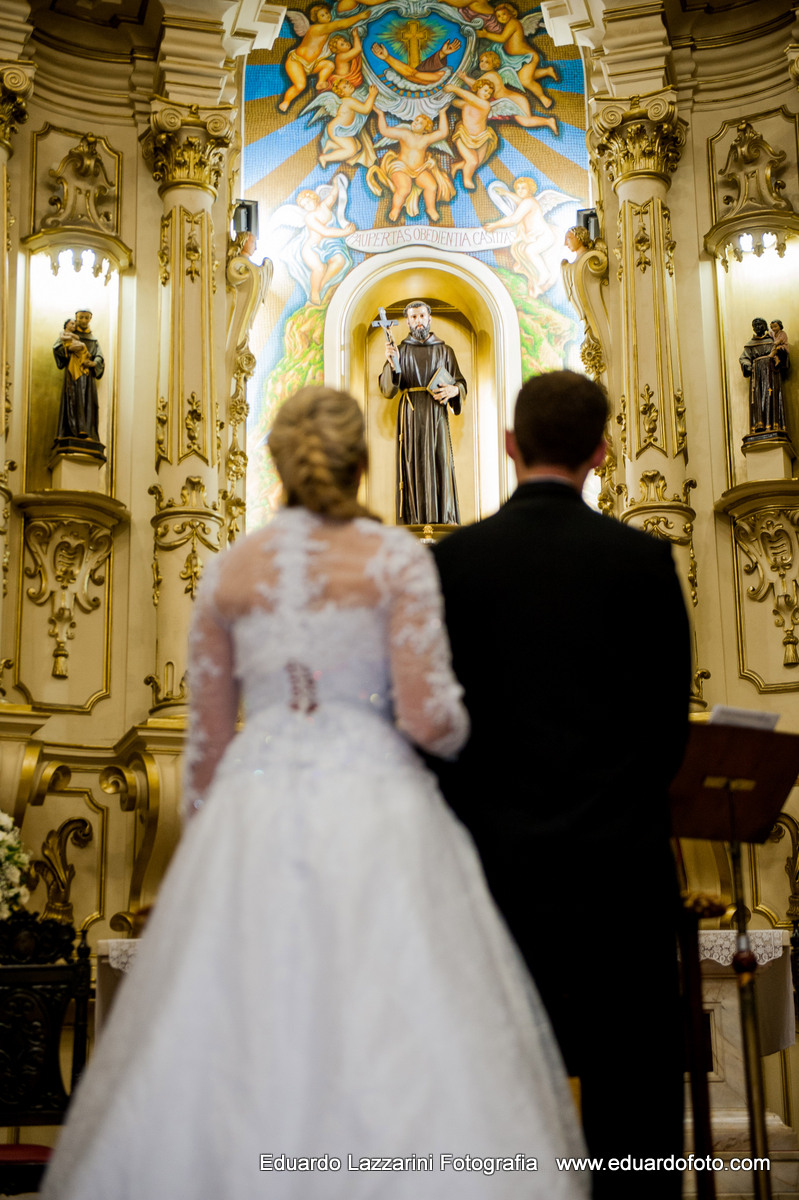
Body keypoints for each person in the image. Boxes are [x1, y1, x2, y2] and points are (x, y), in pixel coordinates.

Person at [42, 386, 588, 1200]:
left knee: (239, 1032)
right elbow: (430, 719)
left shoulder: (230, 568)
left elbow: (204, 752)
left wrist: (218, 845)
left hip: (254, 814)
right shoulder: (396, 557)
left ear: (277, 461)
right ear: (363, 460)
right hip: (376, 806)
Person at [431, 371, 690, 1198]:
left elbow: (437, 732)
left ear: (510, 445)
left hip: (495, 879)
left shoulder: (452, 565)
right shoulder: (642, 561)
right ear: (602, 451)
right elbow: (666, 732)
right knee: (633, 1104)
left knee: (493, 1092)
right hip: (620, 874)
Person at [379, 300, 465, 525]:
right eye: (413, 317)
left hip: (437, 416)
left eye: (422, 316)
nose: (418, 321)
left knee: (440, 465)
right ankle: (414, 523)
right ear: (407, 321)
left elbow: (460, 382)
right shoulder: (401, 350)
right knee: (412, 465)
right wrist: (392, 363)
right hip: (411, 416)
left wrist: (454, 389)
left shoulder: (445, 350)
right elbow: (388, 388)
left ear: (429, 319)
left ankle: (442, 523)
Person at [52, 308, 104, 445]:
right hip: (73, 373)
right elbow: (56, 347)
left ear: (90, 319)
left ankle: (86, 430)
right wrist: (67, 350)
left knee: (87, 402)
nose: (84, 320)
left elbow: (100, 357)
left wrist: (93, 363)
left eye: (86, 318)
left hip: (87, 377)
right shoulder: (69, 335)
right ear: (76, 319)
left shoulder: (93, 340)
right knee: (72, 400)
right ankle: (68, 431)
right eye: (81, 317)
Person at [740, 315, 788, 434]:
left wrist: (779, 356)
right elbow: (744, 358)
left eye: (760, 324)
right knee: (758, 398)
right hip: (757, 375)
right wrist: (748, 365)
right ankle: (759, 425)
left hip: (771, 374)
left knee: (771, 396)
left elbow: (783, 353)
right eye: (755, 325)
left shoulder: (772, 341)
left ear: (766, 327)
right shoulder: (750, 344)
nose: (757, 327)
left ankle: (773, 425)